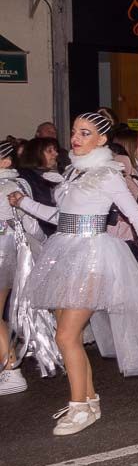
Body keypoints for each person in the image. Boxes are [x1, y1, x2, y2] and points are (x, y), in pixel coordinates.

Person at [7, 113, 138, 435]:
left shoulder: (108, 174)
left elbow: (136, 216)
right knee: (68, 336)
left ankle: (81, 407)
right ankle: (87, 400)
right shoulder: (73, 172)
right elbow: (61, 217)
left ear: (101, 140)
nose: (76, 138)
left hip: (94, 256)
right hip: (65, 253)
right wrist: (25, 202)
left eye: (86, 133)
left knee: (66, 336)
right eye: (74, 132)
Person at [0, 142, 45, 396]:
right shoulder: (16, 184)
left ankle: (11, 369)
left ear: (6, 162)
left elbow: (29, 222)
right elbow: (32, 226)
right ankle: (9, 365)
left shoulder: (8, 186)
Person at [17, 137, 63, 222]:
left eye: (55, 150)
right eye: (49, 151)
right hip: (39, 225)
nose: (56, 154)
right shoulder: (25, 177)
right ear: (36, 154)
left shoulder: (62, 172)